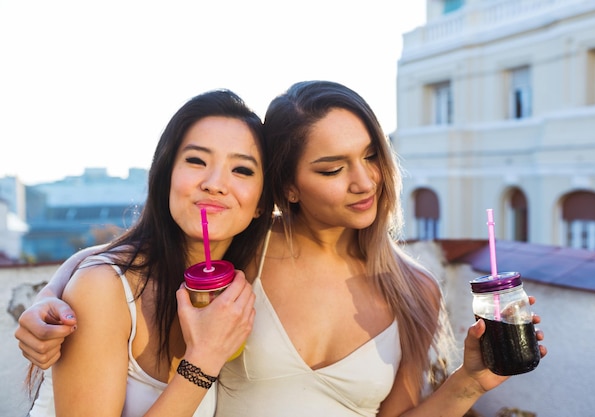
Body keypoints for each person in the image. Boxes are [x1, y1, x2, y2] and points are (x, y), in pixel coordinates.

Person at [16, 81, 546, 417]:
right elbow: (138, 259)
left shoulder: (414, 289)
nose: (365, 182)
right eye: (332, 168)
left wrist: (469, 384)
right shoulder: (244, 250)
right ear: (287, 185)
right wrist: (56, 293)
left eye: (371, 156)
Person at [23, 88, 273, 416]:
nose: (214, 183)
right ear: (165, 176)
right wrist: (205, 358)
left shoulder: (248, 274)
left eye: (242, 170)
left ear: (262, 203)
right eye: (196, 161)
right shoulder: (104, 288)